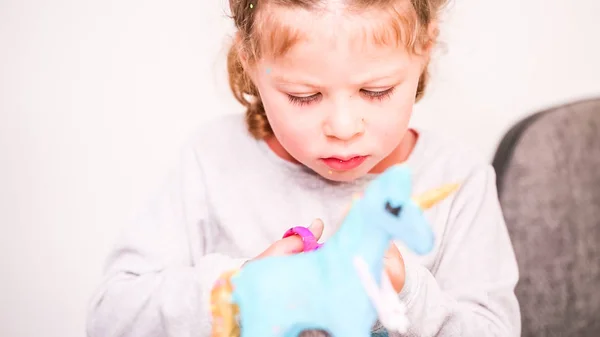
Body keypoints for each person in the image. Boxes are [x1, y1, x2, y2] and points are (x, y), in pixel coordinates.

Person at [86, 0, 521, 336]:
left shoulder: (457, 180)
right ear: (250, 61)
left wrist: (407, 291)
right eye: (303, 96)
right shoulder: (212, 159)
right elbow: (111, 315)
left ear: (425, 49)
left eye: (376, 90)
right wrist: (236, 290)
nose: (343, 128)